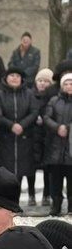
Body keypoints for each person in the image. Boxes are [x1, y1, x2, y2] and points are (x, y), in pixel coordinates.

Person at [0, 68, 38, 198]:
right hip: (5, 137)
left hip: (25, 137)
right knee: (5, 171)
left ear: (21, 79)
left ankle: (19, 198)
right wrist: (11, 125)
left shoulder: (29, 94)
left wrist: (22, 125)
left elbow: (34, 111)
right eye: (11, 75)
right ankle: (5, 198)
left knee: (23, 169)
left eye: (17, 76)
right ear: (6, 78)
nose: (14, 78)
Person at [43, 72, 72, 215]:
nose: (69, 86)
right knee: (55, 181)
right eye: (66, 83)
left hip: (70, 148)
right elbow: (46, 117)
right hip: (55, 147)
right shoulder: (54, 101)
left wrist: (68, 128)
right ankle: (56, 206)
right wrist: (57, 127)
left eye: (71, 83)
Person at [31, 68, 55, 207]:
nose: (42, 83)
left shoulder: (53, 97)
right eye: (40, 80)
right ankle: (31, 194)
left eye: (46, 81)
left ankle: (47, 194)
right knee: (31, 167)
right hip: (32, 135)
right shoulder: (30, 95)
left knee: (47, 168)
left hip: (48, 135)